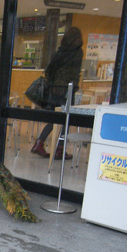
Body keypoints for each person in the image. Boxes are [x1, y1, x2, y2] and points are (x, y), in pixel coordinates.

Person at [31, 27, 84, 160]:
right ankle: (60, 149)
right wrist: (73, 87)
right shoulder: (77, 53)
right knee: (66, 119)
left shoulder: (59, 52)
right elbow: (74, 73)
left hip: (54, 90)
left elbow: (49, 70)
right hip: (67, 90)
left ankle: (40, 142)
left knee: (54, 118)